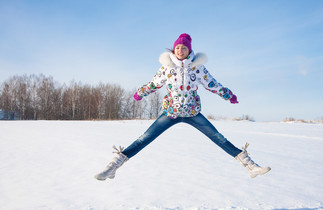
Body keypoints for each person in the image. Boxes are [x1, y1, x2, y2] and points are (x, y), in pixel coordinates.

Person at [95, 33, 271, 181]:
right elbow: (154, 83)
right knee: (144, 138)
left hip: (193, 113)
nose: (180, 50)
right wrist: (140, 93)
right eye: (177, 48)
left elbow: (212, 84)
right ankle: (113, 166)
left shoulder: (197, 68)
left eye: (184, 48)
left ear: (189, 51)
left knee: (218, 138)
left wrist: (228, 95)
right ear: (174, 50)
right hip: (170, 112)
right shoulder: (167, 68)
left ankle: (250, 166)